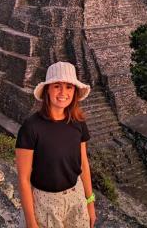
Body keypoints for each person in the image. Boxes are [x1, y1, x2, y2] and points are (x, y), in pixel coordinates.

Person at [15, 61, 96, 228]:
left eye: (69, 87)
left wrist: (90, 202)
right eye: (57, 86)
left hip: (77, 197)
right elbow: (23, 179)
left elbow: (84, 165)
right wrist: (31, 222)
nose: (63, 93)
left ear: (74, 92)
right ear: (48, 90)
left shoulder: (78, 123)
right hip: (46, 203)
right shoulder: (31, 127)